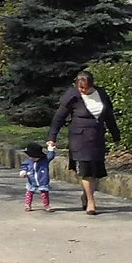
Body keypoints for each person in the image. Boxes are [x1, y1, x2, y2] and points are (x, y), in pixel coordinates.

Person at [47, 68, 119, 216]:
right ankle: (91, 203)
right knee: (86, 170)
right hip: (79, 138)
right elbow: (59, 118)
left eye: (86, 88)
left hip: (97, 137)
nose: (83, 91)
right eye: (80, 88)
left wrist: (116, 135)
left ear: (92, 85)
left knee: (95, 171)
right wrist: (52, 137)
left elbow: (109, 116)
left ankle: (87, 195)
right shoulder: (72, 96)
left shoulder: (102, 94)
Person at [23, 142, 53, 211]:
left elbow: (51, 156)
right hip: (32, 180)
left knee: (44, 193)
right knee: (29, 192)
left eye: (34, 157)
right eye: (30, 156)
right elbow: (24, 166)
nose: (32, 158)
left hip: (42, 180)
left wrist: (51, 148)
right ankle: (28, 205)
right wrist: (23, 171)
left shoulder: (44, 160)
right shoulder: (28, 161)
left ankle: (46, 205)